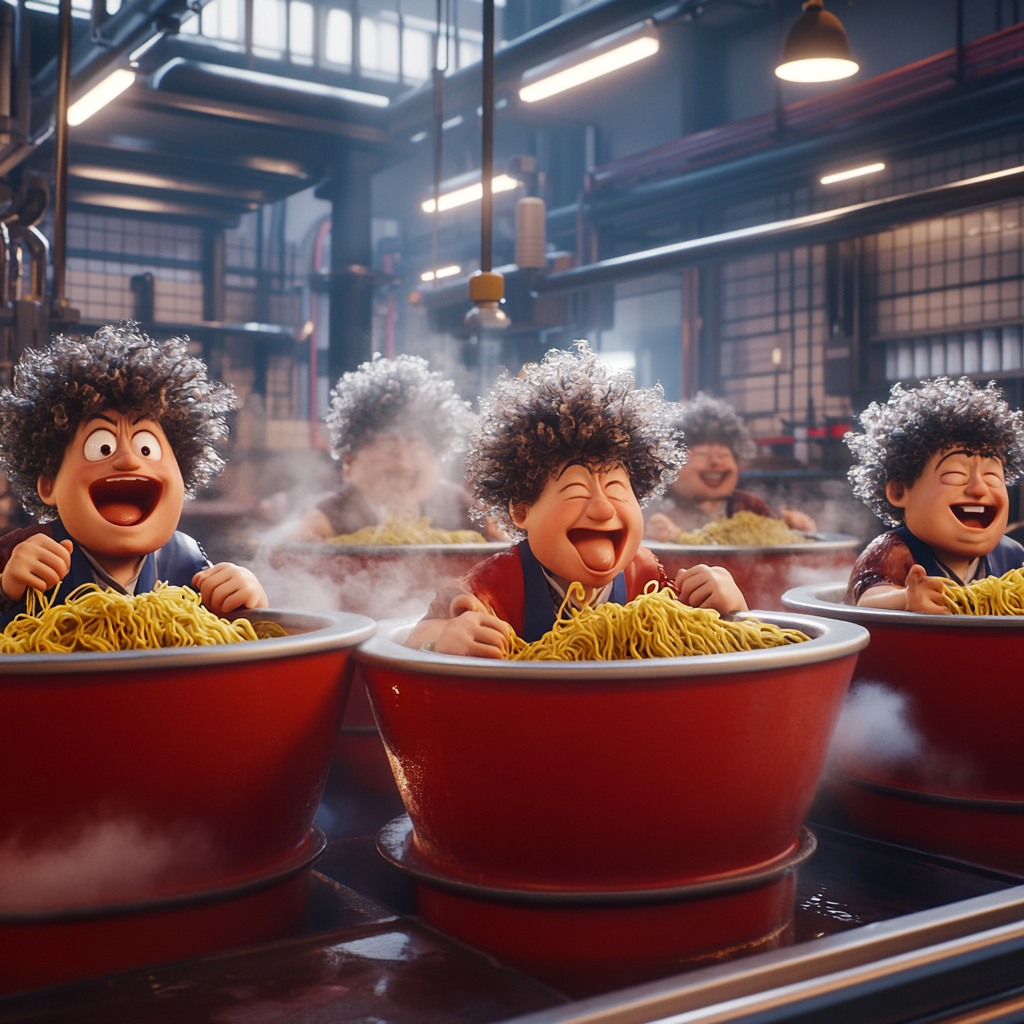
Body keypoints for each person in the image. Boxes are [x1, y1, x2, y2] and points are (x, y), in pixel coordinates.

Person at [406, 343, 748, 658]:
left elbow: (701, 631)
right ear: (522, 510)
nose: (603, 508)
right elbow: (414, 637)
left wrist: (730, 608)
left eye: (616, 488)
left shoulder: (643, 574)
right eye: (576, 492)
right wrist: (446, 638)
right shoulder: (494, 584)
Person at [0, 323, 267, 624]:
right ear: (49, 484)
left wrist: (250, 604)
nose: (127, 459)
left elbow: (227, 634)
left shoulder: (186, 559)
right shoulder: (22, 553)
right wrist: (5, 592)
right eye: (101, 447)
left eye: (146, 448)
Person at [844, 377, 1024, 612]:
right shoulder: (894, 550)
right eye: (954, 474)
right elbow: (868, 598)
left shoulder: (1011, 554)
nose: (978, 489)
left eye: (992, 477)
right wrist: (905, 598)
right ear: (899, 492)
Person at [293, 354, 476, 541]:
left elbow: (501, 545)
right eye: (389, 450)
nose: (405, 465)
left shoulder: (461, 506)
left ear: (437, 456)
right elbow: (287, 555)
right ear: (350, 459)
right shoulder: (328, 516)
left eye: (416, 449)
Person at [644, 393, 816, 540]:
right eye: (702, 455)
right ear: (673, 465)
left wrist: (795, 527)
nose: (716, 462)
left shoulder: (750, 505)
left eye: (725, 455)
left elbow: (777, 538)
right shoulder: (657, 507)